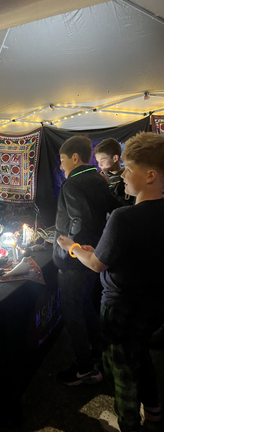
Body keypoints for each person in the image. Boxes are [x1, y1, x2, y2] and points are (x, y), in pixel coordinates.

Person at [56, 132, 164, 432]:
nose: (123, 175)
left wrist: (73, 248)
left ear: (150, 175)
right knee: (142, 355)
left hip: (122, 305)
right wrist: (100, 251)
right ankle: (154, 413)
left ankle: (127, 422)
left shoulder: (124, 217)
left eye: (129, 169)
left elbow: (97, 263)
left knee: (122, 368)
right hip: (154, 303)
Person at [53, 135, 120, 386]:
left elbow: (79, 221)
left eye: (62, 160)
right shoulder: (99, 179)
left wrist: (71, 248)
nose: (61, 165)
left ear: (74, 158)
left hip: (75, 262)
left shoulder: (72, 184)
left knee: (72, 313)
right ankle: (96, 354)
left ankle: (85, 368)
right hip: (95, 255)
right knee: (87, 307)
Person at [95, 138, 136, 207]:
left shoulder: (128, 179)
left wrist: (105, 187)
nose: (100, 165)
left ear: (115, 158)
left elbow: (125, 206)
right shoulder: (97, 177)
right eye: (98, 161)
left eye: (102, 160)